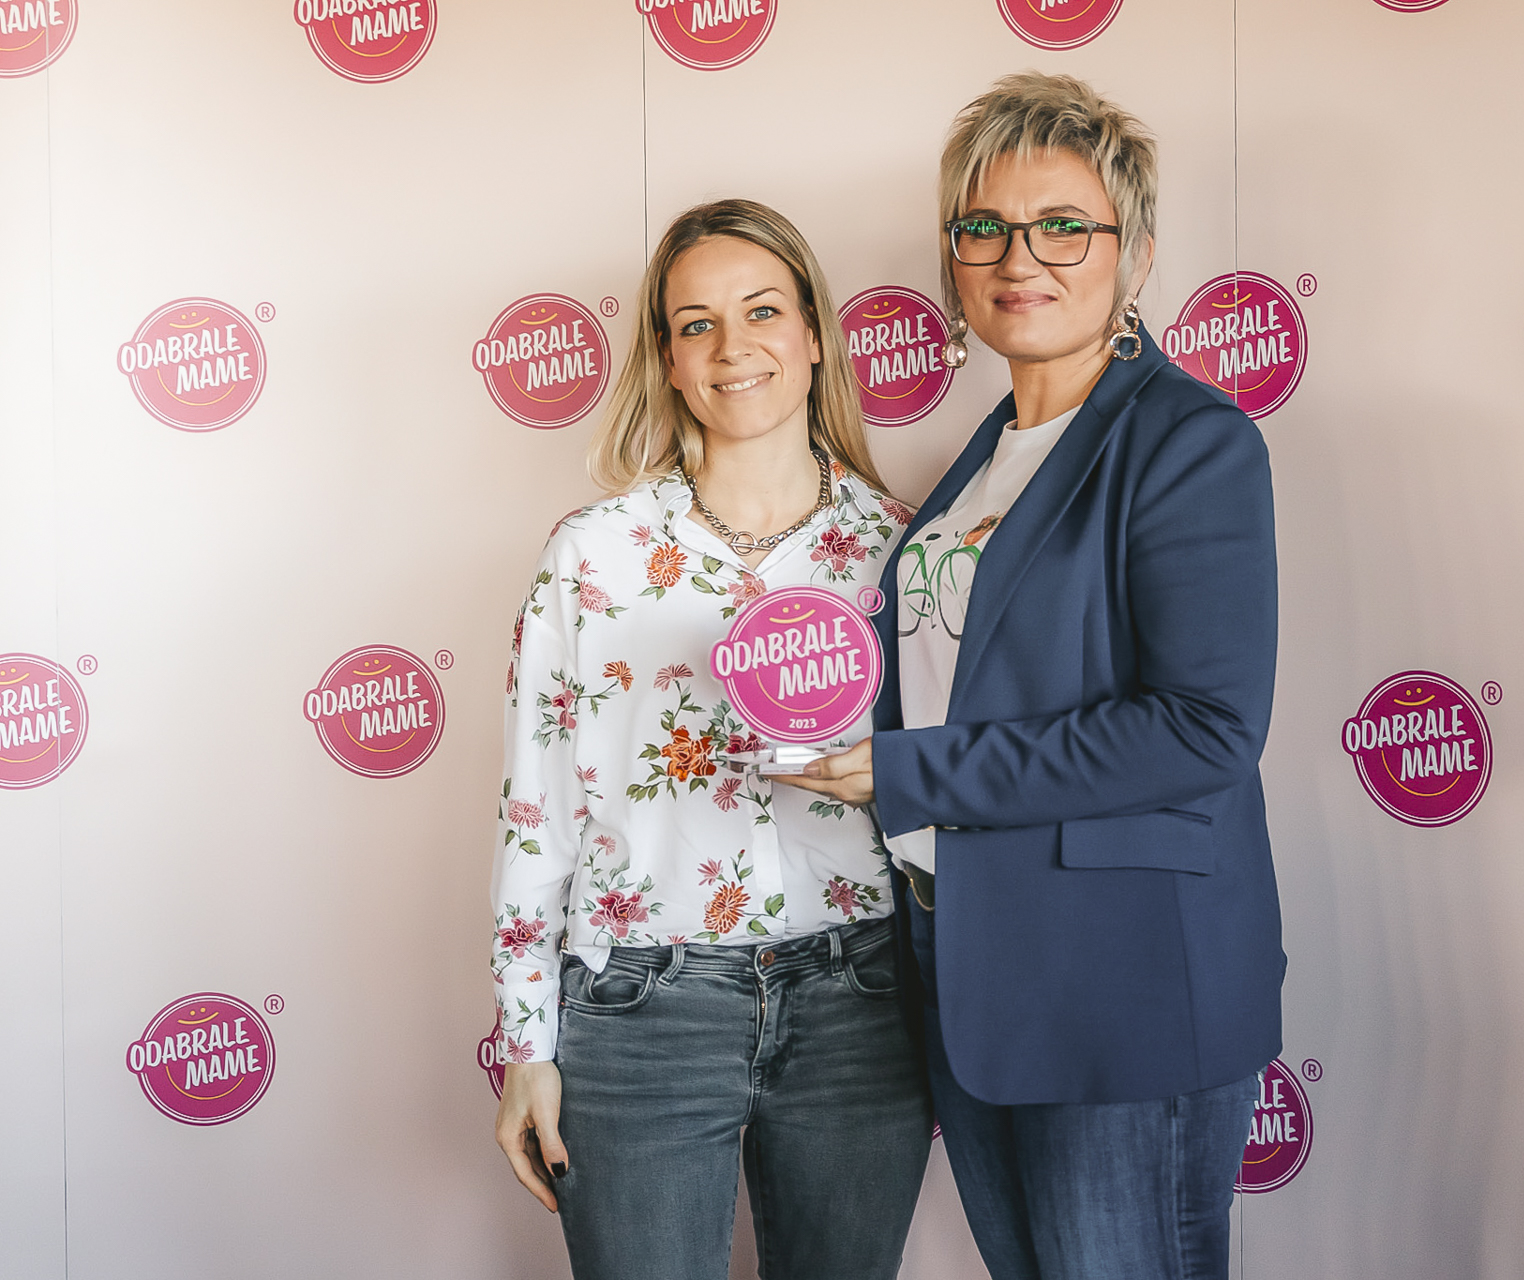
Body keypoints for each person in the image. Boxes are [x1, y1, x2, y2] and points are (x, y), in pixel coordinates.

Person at [780, 73, 1285, 1280]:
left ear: (1135, 251)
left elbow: (1205, 728)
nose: (1021, 257)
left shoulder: (1187, 438)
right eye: (986, 227)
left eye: (1064, 225)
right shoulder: (986, 457)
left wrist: (908, 771)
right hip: (973, 965)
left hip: (1119, 981)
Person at [490, 199, 931, 1280]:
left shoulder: (901, 550)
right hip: (641, 1004)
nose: (734, 346)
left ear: (814, 334)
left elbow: (955, 792)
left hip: (862, 999)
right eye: (698, 324)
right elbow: (537, 808)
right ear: (670, 361)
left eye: (763, 311)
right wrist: (527, 1040)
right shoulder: (592, 555)